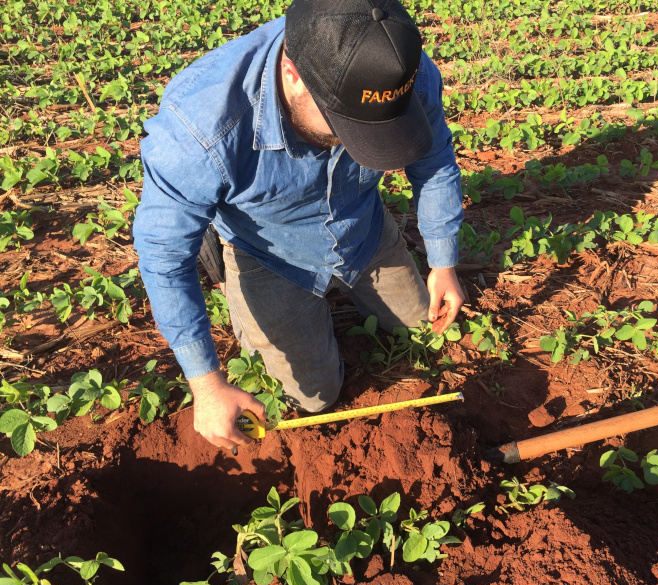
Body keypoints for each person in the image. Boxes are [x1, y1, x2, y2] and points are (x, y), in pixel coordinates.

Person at [132, 0, 464, 452]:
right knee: (311, 400)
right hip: (269, 251)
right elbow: (164, 258)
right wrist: (206, 385)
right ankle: (217, 239)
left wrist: (443, 261)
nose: (353, 141)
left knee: (423, 329)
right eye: (344, 126)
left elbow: (436, 161)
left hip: (361, 227)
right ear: (293, 73)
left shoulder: (393, 69)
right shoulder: (201, 128)